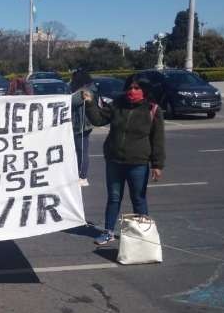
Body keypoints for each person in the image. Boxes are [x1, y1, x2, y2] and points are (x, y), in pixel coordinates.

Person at [83, 75, 165, 246]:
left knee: (138, 199)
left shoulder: (152, 109)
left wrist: (157, 165)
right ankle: (108, 232)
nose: (132, 91)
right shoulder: (117, 104)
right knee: (113, 198)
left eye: (136, 88)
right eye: (129, 88)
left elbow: (158, 140)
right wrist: (90, 103)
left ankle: (143, 236)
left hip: (138, 163)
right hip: (114, 161)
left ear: (144, 90)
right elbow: (98, 119)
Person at [70, 69, 97, 187]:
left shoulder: (84, 92)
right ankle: (78, 174)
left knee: (81, 151)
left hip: (81, 126)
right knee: (78, 151)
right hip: (78, 125)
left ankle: (82, 176)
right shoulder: (82, 90)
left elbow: (71, 101)